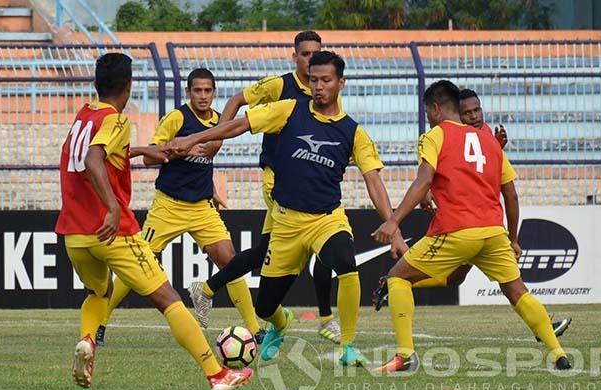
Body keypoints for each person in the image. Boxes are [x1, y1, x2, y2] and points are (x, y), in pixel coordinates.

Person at [167, 51, 408, 366]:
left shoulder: (353, 132)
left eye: (325, 80)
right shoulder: (289, 110)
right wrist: (193, 139)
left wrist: (393, 225)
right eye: (313, 80)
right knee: (265, 307)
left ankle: (347, 346)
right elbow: (238, 126)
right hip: (285, 223)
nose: (318, 86)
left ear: (341, 83)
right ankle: (279, 325)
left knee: (347, 265)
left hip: (327, 219)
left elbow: (373, 181)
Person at [55, 53, 251, 390]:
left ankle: (88, 339)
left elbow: (102, 153)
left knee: (98, 292)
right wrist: (113, 208)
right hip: (112, 229)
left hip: (74, 233)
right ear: (129, 85)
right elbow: (93, 160)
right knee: (168, 298)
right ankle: (216, 373)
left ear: (96, 84)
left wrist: (142, 148)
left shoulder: (85, 116)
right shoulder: (116, 120)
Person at [371, 80, 572, 372]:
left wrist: (393, 220)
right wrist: (512, 238)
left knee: (396, 278)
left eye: (428, 111)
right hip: (493, 231)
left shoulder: (434, 136)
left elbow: (424, 179)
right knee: (517, 291)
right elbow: (511, 194)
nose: (428, 117)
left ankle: (405, 356)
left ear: (436, 109)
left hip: (456, 228)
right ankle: (558, 354)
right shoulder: (490, 141)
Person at [187, 30, 342, 344]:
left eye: (316, 53)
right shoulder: (279, 86)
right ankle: (325, 319)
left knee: (263, 252)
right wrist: (216, 138)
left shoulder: (325, 90)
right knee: (320, 242)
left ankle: (207, 289)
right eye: (305, 54)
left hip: (308, 179)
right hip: (279, 181)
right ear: (295, 56)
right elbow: (236, 101)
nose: (311, 60)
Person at [95, 68, 263, 345]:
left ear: (214, 93)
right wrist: (180, 150)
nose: (202, 96)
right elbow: (149, 158)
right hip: (168, 207)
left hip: (201, 208)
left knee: (230, 261)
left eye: (207, 91)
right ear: (188, 92)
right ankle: (100, 324)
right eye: (197, 90)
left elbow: (204, 166)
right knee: (136, 266)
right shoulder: (177, 117)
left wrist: (212, 190)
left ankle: (255, 329)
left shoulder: (219, 123)